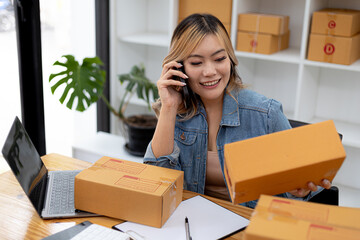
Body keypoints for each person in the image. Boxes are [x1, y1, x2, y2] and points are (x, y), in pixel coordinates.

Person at [143, 13, 331, 208]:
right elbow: (156, 181)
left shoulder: (266, 114)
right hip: (191, 223)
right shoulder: (177, 111)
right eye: (196, 63)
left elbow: (297, 196)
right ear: (179, 67)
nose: (210, 71)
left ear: (230, 59)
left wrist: (297, 191)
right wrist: (169, 107)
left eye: (219, 59)